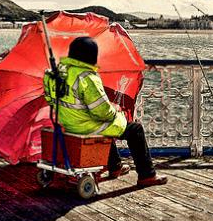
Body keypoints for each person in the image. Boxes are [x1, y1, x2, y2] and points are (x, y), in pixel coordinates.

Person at [43, 36, 167, 186]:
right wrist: (115, 110)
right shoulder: (86, 77)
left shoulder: (55, 74)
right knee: (134, 129)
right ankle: (147, 175)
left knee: (109, 126)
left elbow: (51, 100)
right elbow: (102, 112)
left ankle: (115, 167)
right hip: (86, 125)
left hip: (68, 123)